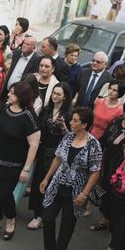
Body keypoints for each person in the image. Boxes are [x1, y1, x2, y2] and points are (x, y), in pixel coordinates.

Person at [39, 107, 102, 250]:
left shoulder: (93, 144)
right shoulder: (67, 137)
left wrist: (85, 194)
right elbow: (58, 158)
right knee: (47, 216)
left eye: (75, 120)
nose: (71, 123)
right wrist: (47, 178)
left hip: (77, 190)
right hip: (58, 184)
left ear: (85, 124)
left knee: (67, 226)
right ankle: (49, 248)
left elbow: (95, 172)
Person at [0, 82, 40, 240]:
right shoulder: (6, 109)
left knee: (5, 194)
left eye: (12, 93)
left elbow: (34, 144)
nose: (8, 94)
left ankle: (11, 221)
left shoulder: (29, 116)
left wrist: (26, 169)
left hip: (14, 165)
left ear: (21, 96)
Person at [90, 101, 125, 231]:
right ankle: (103, 219)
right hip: (108, 164)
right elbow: (103, 140)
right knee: (105, 191)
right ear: (124, 114)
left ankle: (115, 222)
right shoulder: (115, 124)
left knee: (117, 195)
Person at [28, 83, 73, 230]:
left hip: (57, 152)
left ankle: (43, 215)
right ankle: (37, 213)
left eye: (59, 94)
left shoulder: (69, 114)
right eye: (54, 93)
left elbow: (71, 138)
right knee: (37, 180)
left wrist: (63, 127)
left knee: (49, 182)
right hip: (43, 148)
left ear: (65, 96)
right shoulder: (47, 109)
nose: (55, 96)